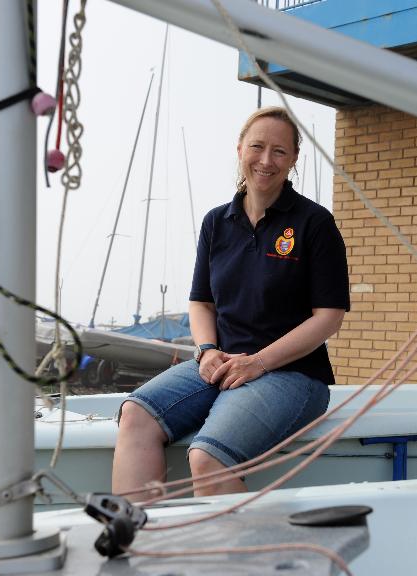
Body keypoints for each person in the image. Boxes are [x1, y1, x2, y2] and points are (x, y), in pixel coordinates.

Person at [112, 106, 349, 499]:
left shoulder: (314, 223)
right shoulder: (216, 222)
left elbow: (329, 318)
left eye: (279, 151)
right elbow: (201, 303)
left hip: (293, 375)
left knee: (207, 457)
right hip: (221, 364)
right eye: (257, 146)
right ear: (240, 149)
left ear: (293, 160)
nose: (266, 160)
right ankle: (138, 543)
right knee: (135, 414)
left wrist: (257, 362)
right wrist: (206, 351)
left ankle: (234, 558)